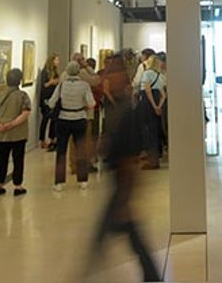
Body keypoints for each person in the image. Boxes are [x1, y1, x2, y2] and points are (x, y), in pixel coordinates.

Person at [85, 53, 161, 281]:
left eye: (113, 71)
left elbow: (130, 159)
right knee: (124, 235)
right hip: (118, 184)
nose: (109, 76)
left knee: (119, 233)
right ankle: (151, 275)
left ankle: (152, 276)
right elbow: (114, 143)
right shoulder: (120, 107)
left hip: (121, 187)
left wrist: (126, 199)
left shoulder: (128, 110)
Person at [49, 61, 95, 190]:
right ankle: (82, 180)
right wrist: (82, 105)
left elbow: (52, 103)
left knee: (61, 151)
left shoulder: (62, 85)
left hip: (63, 119)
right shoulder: (84, 85)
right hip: (79, 118)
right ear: (78, 71)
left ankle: (59, 182)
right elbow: (91, 103)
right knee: (81, 149)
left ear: (67, 71)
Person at [0, 68, 31, 196]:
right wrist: (11, 125)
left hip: (1, 133)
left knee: (1, 158)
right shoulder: (23, 96)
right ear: (19, 81)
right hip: (17, 133)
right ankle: (18, 185)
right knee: (18, 159)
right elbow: (26, 113)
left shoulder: (1, 95)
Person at [137, 55, 165, 168]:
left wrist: (153, 106)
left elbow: (147, 91)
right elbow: (164, 95)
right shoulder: (160, 75)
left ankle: (150, 160)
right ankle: (155, 158)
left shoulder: (147, 74)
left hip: (147, 104)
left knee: (147, 131)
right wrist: (159, 106)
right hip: (157, 101)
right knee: (154, 131)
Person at [37, 53, 60, 149]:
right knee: (45, 119)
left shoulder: (54, 71)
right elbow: (44, 85)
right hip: (46, 98)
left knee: (54, 119)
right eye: (56, 60)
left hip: (53, 97)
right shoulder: (45, 72)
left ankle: (52, 138)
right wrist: (52, 82)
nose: (58, 62)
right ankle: (42, 140)